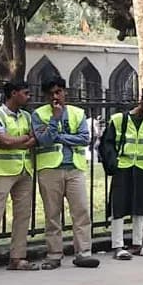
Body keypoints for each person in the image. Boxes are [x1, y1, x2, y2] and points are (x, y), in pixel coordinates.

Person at [32, 77, 100, 270]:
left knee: (81, 212)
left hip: (75, 168)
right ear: (46, 95)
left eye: (59, 92)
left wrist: (59, 137)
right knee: (52, 214)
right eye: (51, 93)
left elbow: (84, 138)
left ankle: (83, 253)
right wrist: (54, 118)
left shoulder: (78, 113)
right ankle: (54, 254)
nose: (56, 96)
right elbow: (44, 140)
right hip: (50, 170)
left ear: (65, 92)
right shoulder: (39, 115)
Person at [0, 81, 37, 278]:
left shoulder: (26, 116)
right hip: (1, 170)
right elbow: (4, 141)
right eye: (25, 93)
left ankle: (17, 257)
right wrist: (21, 141)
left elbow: (32, 140)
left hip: (24, 169)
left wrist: (16, 142)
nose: (29, 97)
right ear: (13, 93)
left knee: (23, 215)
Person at [100, 90, 143, 259]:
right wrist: (114, 164)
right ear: (142, 102)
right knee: (118, 206)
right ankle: (118, 246)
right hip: (124, 167)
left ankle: (138, 243)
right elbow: (107, 144)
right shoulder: (119, 120)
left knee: (140, 207)